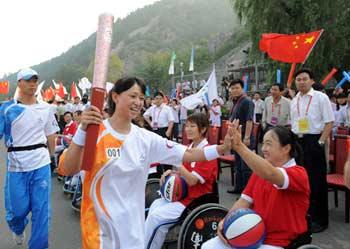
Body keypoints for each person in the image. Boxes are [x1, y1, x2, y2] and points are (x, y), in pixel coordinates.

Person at [59, 77, 232, 249]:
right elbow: (68, 169)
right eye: (133, 96)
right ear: (115, 97)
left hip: (133, 231)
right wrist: (82, 131)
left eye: (141, 98)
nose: (138, 102)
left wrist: (221, 148)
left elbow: (189, 153)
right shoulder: (95, 134)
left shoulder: (145, 138)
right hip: (100, 234)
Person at [202, 122, 310, 249]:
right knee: (208, 246)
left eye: (269, 144)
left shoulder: (298, 174)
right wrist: (225, 221)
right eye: (263, 143)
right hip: (249, 233)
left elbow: (270, 174)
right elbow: (244, 201)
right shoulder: (260, 171)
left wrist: (239, 146)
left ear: (286, 148)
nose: (263, 148)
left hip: (279, 241)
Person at [0, 68, 59, 248]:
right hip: (17, 162)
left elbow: (50, 135)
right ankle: (18, 228)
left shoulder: (46, 108)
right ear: (19, 83)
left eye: (35, 80)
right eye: (28, 80)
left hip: (40, 162)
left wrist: (51, 159)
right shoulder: (7, 108)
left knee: (42, 211)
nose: (32, 83)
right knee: (18, 210)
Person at [144, 113, 218, 249]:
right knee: (155, 205)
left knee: (156, 217)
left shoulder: (208, 153)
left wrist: (177, 163)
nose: (187, 129)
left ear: (202, 129)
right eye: (186, 126)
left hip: (195, 200)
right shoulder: (189, 148)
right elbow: (186, 171)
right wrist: (172, 172)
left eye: (192, 126)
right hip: (182, 195)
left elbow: (192, 181)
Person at [290, 68, 334, 233]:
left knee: (317, 182)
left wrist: (320, 142)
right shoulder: (294, 100)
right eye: (298, 79)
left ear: (311, 81)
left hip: (314, 141)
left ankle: (320, 220)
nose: (301, 82)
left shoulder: (321, 98)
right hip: (298, 142)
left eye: (304, 79)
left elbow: (329, 122)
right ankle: (306, 215)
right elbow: (294, 122)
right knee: (302, 182)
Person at [227, 79, 254, 194]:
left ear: (242, 88)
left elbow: (249, 120)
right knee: (238, 164)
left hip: (244, 138)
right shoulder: (235, 102)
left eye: (237, 88)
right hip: (236, 138)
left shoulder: (247, 101)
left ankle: (247, 193)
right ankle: (238, 188)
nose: (235, 90)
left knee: (245, 166)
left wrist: (247, 137)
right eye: (232, 88)